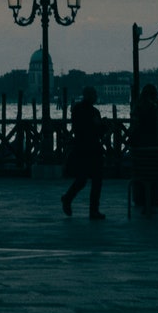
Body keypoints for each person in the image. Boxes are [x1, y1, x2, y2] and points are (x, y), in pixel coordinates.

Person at [61, 87, 107, 219]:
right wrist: (102, 125)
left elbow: (83, 129)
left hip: (84, 147)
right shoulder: (89, 111)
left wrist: (100, 126)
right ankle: (92, 210)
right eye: (94, 94)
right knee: (92, 180)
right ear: (88, 95)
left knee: (84, 179)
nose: (96, 96)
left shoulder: (79, 110)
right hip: (88, 148)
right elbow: (93, 130)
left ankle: (70, 199)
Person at [131, 82, 158, 211]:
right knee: (153, 172)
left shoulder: (138, 107)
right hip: (153, 144)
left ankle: (140, 198)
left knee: (141, 172)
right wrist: (157, 101)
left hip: (139, 145)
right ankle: (154, 199)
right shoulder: (155, 107)